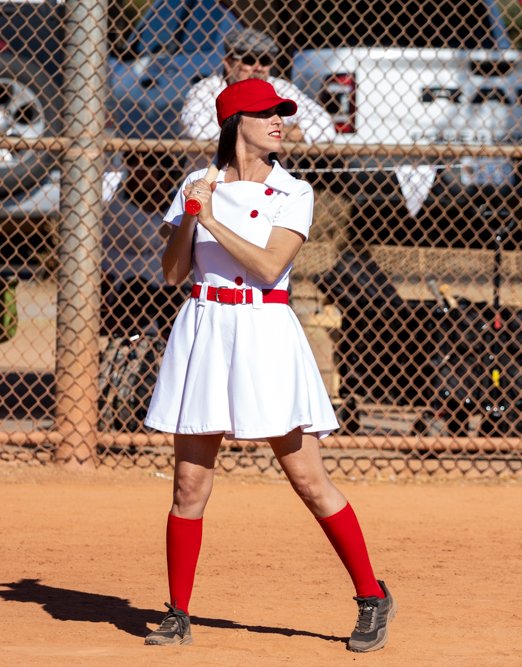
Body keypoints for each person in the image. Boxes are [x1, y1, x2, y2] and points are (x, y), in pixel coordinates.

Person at [142, 78, 395, 653]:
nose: (279, 120)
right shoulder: (196, 184)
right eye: (265, 113)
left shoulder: (292, 192)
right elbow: (173, 275)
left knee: (308, 479)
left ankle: (371, 596)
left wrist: (207, 220)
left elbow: (266, 265)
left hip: (264, 331)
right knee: (188, 484)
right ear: (235, 124)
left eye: (281, 113)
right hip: (205, 327)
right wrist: (187, 215)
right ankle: (178, 611)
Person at [181, 27, 337, 144]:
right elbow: (199, 129)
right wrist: (272, 132)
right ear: (228, 63)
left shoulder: (280, 87)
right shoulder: (206, 89)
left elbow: (325, 126)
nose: (258, 67)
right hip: (219, 182)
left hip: (268, 184)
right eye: (249, 60)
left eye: (264, 61)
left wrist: (245, 132)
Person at [101, 152, 187, 339]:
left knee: (171, 299)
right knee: (137, 287)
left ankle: (165, 348)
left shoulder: (175, 201)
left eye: (149, 169)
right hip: (123, 286)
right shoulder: (116, 201)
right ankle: (129, 343)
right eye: (135, 167)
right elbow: (145, 238)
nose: (139, 174)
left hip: (164, 289)